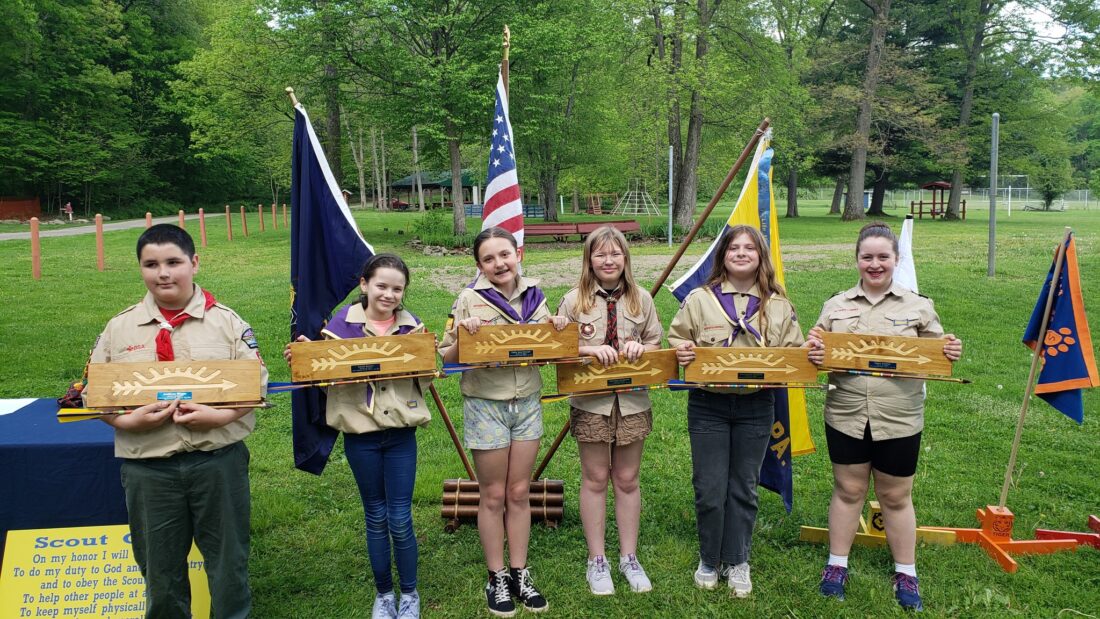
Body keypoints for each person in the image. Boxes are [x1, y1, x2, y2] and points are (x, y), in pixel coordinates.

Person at [86, 223, 266, 619]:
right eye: (151, 264)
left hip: (217, 462)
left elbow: (256, 384)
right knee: (159, 568)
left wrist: (219, 415)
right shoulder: (120, 328)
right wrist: (127, 424)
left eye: (173, 262)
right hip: (149, 467)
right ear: (140, 268)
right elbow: (94, 392)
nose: (163, 273)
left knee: (228, 562)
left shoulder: (227, 323)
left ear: (194, 263)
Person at [806, 221, 962, 612]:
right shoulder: (836, 305)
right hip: (846, 413)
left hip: (898, 416)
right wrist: (812, 350)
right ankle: (836, 566)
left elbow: (936, 353)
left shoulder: (918, 306)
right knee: (848, 490)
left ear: (895, 259)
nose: (874, 264)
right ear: (857, 260)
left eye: (882, 257)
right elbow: (816, 350)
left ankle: (906, 572)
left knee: (895, 495)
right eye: (867, 257)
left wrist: (949, 351)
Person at [284, 253, 429, 619]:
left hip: (401, 436)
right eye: (381, 286)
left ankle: (409, 593)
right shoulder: (339, 326)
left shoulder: (412, 328)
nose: (389, 295)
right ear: (364, 285)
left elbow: (426, 377)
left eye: (397, 289)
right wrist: (307, 356)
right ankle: (384, 594)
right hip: (361, 437)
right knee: (376, 515)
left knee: (400, 518)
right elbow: (322, 380)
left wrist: (424, 357)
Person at [667, 224, 806, 598]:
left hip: (756, 406)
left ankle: (738, 559)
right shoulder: (700, 299)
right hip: (708, 404)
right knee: (709, 488)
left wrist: (808, 355)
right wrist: (682, 350)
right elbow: (678, 338)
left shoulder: (778, 305)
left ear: (761, 257)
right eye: (734, 248)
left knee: (744, 486)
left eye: (750, 248)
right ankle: (709, 558)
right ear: (722, 256)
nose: (741, 253)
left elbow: (795, 353)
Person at [438, 227, 568, 617]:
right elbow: (446, 358)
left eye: (505, 254)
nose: (499, 263)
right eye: (489, 258)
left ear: (518, 254)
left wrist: (558, 329)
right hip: (486, 404)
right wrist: (463, 337)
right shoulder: (468, 299)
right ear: (479, 265)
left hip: (526, 402)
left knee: (519, 491)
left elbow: (549, 350)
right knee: (493, 494)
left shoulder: (535, 296)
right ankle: (496, 576)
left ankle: (519, 572)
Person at [556, 226, 661, 595]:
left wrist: (642, 349)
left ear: (626, 258)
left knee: (628, 479)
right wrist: (588, 350)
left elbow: (656, 342)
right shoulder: (573, 302)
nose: (608, 260)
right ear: (589, 260)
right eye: (600, 254)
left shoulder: (641, 299)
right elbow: (559, 349)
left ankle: (629, 557)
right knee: (596, 478)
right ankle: (597, 559)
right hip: (592, 403)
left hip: (632, 401)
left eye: (615, 253)